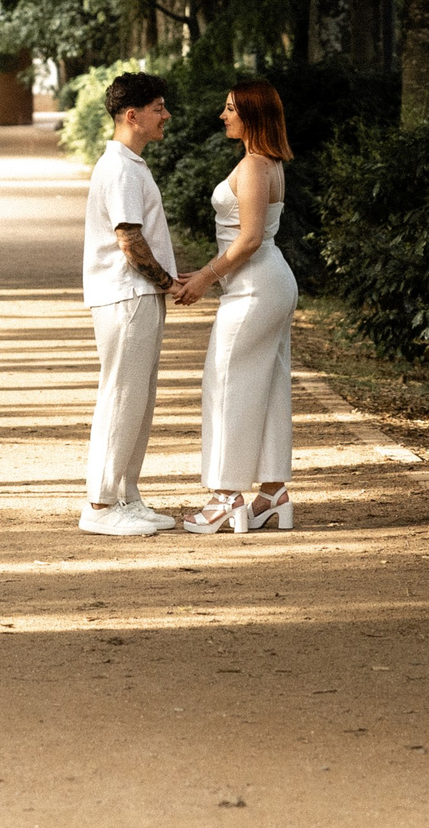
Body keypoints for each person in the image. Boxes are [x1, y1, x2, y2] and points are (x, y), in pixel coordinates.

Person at [170, 81, 296, 534]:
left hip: (255, 287)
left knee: (224, 383)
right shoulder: (267, 163)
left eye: (230, 109)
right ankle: (273, 494)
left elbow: (250, 238)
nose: (223, 116)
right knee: (268, 384)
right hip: (266, 284)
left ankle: (225, 497)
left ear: (252, 115)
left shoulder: (256, 166)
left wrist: (205, 276)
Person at [78, 71, 181, 537]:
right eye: (158, 108)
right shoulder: (119, 167)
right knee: (121, 397)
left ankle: (126, 495)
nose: (166, 115)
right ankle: (100, 505)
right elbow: (129, 240)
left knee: (138, 400)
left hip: (138, 295)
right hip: (126, 294)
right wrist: (168, 282)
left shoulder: (132, 163)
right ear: (132, 115)